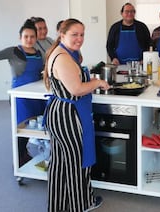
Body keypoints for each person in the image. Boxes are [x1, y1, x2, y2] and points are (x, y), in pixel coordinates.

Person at [43, 18, 110, 212]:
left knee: (60, 161)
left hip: (61, 112)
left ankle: (58, 205)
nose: (79, 38)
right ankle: (80, 205)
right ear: (62, 35)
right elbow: (76, 89)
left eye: (82, 34)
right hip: (68, 116)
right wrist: (98, 82)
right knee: (76, 162)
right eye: (75, 34)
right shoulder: (63, 57)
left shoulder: (64, 52)